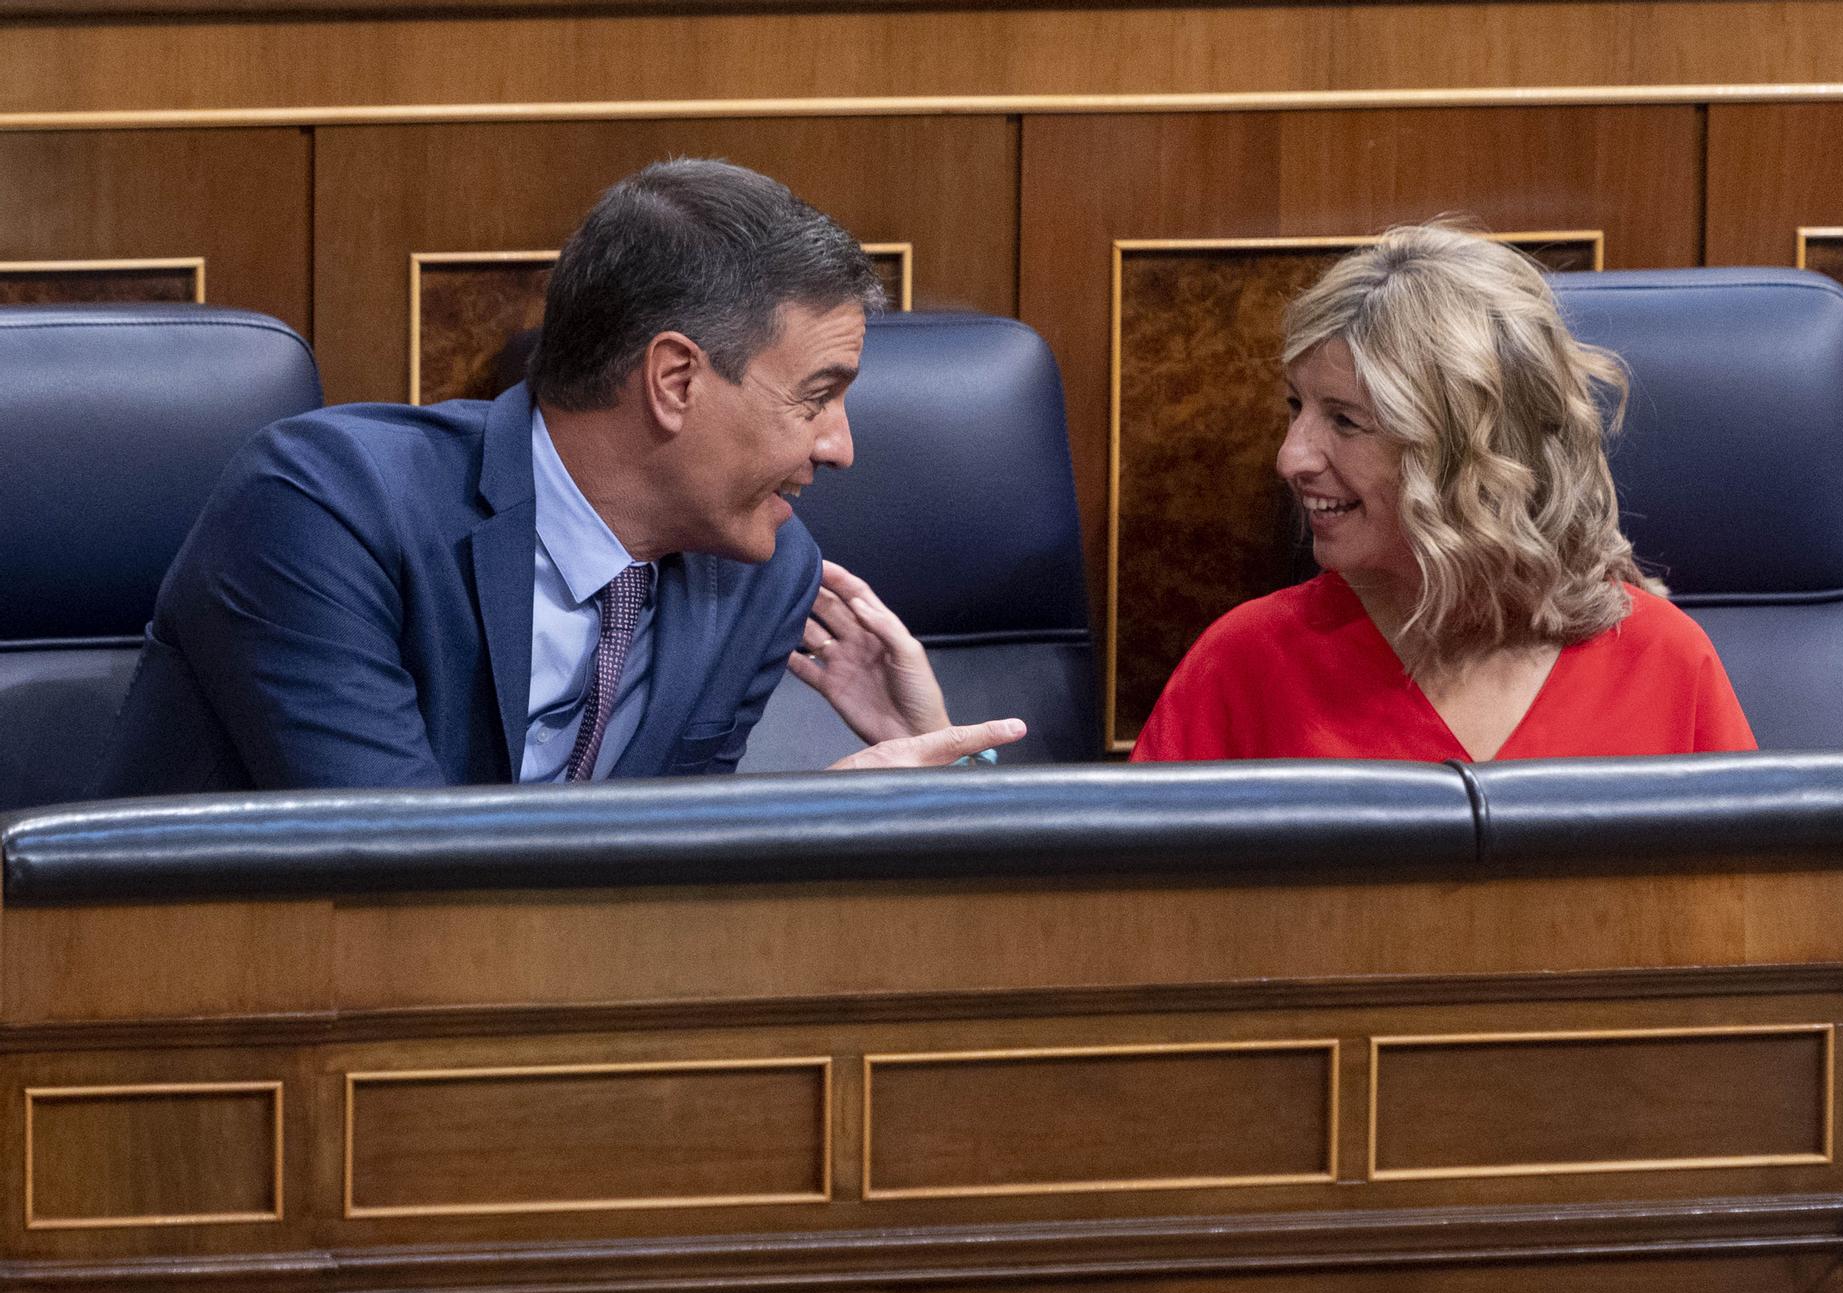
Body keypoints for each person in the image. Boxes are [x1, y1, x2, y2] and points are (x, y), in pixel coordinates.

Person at [96, 158, 1023, 795]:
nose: (840, 447)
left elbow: (658, 901)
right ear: (675, 380)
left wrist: (936, 773)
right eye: (818, 395)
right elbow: (386, 878)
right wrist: (792, 828)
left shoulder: (762, 575)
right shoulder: (324, 511)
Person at [1130, 224, 1755, 763]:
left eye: (1346, 420)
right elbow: (1132, 898)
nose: (1290, 457)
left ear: (1472, 454)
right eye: (1297, 406)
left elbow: (1753, 894)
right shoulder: (1243, 664)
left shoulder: (1662, 660)